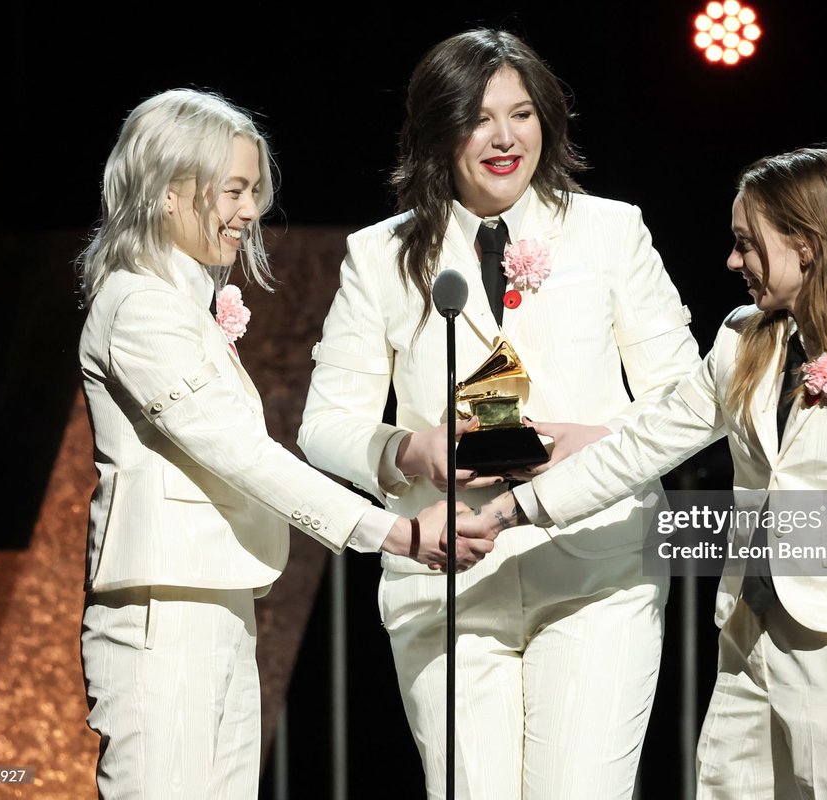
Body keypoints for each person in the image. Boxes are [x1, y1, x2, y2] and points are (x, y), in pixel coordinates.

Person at [458, 147, 827, 799]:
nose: (732, 262)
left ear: (809, 244)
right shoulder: (744, 340)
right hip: (748, 640)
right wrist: (511, 511)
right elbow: (641, 447)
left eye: (747, 244)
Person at [297, 29, 700, 799]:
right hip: (449, 574)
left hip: (596, 569)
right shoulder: (379, 255)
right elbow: (324, 425)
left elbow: (683, 402)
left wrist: (579, 444)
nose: (505, 137)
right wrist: (413, 451)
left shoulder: (611, 231)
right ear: (437, 129)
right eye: (479, 118)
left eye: (522, 114)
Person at [76, 88, 485, 799]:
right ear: (172, 192)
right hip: (161, 614)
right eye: (234, 190)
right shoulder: (139, 306)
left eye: (253, 191)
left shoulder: (174, 303)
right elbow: (242, 454)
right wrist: (397, 533)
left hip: (214, 600)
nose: (250, 211)